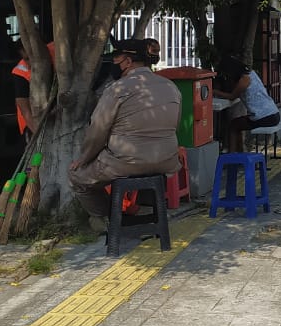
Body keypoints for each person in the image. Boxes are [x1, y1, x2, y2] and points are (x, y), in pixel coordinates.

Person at [68, 38, 182, 234]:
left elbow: (97, 131)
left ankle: (107, 219)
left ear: (128, 62)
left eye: (116, 60)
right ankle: (135, 215)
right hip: (167, 161)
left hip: (125, 162)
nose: (113, 65)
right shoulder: (171, 87)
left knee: (76, 176)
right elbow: (175, 125)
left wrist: (84, 159)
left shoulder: (117, 89)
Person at [213, 56, 281, 151]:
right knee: (238, 124)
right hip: (273, 113)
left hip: (264, 117)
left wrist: (214, 91)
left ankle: (232, 155)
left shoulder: (244, 80)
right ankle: (240, 152)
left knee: (233, 125)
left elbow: (232, 96)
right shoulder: (251, 73)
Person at [11, 41, 55, 139]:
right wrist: (39, 135)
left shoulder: (56, 52)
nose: (32, 62)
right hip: (32, 124)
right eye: (27, 59)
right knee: (38, 148)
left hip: (55, 117)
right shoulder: (20, 72)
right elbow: (25, 109)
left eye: (34, 56)